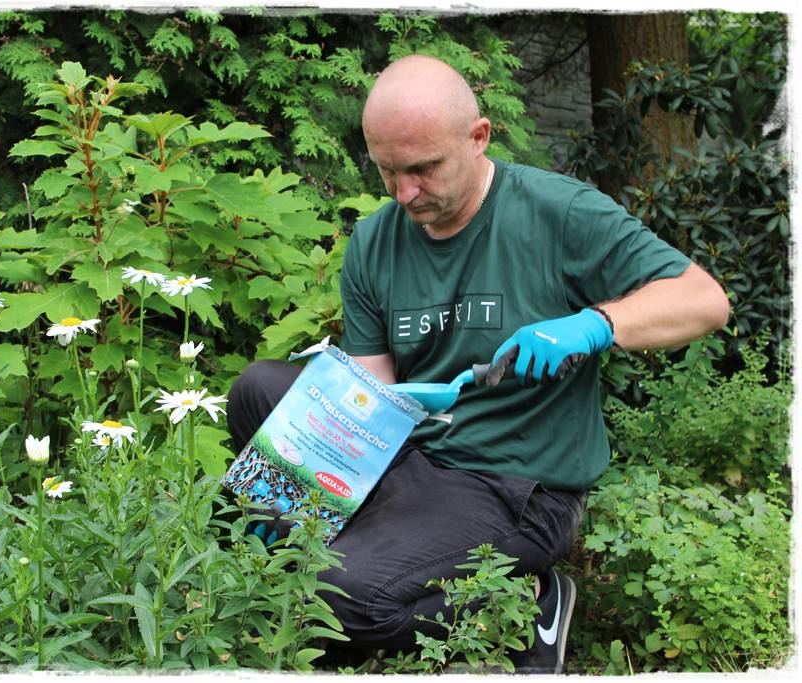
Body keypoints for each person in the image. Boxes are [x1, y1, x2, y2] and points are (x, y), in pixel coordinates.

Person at [226, 54, 729, 673]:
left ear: (479, 137)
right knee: (258, 388)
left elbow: (705, 300)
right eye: (388, 171)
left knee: (336, 599)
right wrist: (303, 491)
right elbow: (370, 391)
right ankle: (346, 540)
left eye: (424, 169)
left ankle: (522, 601)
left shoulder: (558, 213)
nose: (406, 193)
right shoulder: (375, 241)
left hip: (514, 485)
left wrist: (595, 325)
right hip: (415, 456)